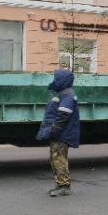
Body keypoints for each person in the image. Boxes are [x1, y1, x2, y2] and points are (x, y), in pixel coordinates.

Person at [36, 67, 80, 197]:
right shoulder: (63, 93)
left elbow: (63, 115)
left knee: (59, 159)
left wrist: (54, 130)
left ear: (62, 80)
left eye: (56, 78)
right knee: (55, 158)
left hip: (62, 134)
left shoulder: (67, 94)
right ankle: (60, 185)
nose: (54, 80)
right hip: (60, 133)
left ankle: (64, 187)